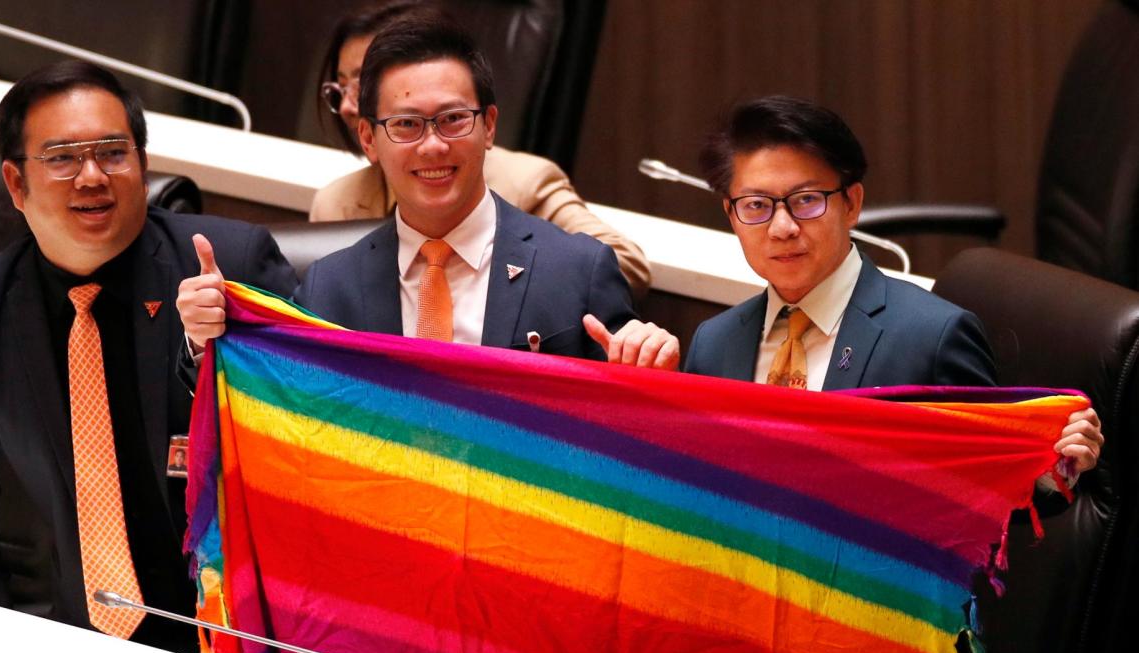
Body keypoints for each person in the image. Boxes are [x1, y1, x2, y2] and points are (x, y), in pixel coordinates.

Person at [0, 61, 297, 653]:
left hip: (250, 643)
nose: (92, 176)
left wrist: (213, 346)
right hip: (85, 650)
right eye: (62, 157)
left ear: (141, 165)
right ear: (17, 185)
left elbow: (303, 446)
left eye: (113, 153)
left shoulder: (228, 267)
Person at [182, 16, 678, 370]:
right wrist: (206, 345)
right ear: (369, 141)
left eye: (453, 119)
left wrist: (651, 370)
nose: (434, 145)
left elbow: (630, 430)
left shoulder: (579, 271)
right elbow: (276, 408)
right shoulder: (327, 286)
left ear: (489, 126)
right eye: (406, 125)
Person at [684, 95, 1101, 474]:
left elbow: (991, 483)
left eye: (806, 200)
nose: (782, 227)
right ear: (731, 214)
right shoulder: (714, 345)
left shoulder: (931, 338)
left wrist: (1055, 469)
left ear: (852, 204)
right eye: (756, 206)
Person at [308, 0, 652, 299]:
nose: (350, 106)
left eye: (363, 83)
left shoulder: (524, 181)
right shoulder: (337, 204)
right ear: (370, 137)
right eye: (343, 87)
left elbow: (624, 263)